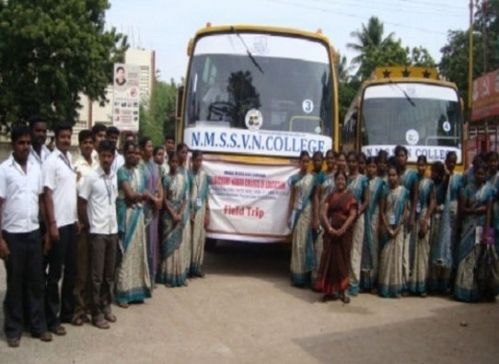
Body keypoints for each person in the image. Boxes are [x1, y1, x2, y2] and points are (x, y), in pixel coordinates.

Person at [0, 126, 52, 347]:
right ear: (13, 144)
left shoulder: (35, 169)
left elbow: (42, 200)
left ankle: (37, 326)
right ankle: (13, 329)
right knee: (15, 283)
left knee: (35, 281)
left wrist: (48, 230)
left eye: (28, 143)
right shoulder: (4, 170)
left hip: (33, 232)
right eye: (21, 143)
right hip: (12, 235)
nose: (25, 147)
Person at [78, 140, 118, 329]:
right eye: (104, 156)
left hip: (112, 230)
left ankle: (106, 305)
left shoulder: (114, 177)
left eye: (110, 156)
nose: (107, 160)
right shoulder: (92, 177)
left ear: (113, 157)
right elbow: (82, 203)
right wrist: (88, 225)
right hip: (98, 232)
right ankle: (95, 313)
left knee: (109, 274)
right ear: (99, 156)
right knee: (96, 276)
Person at [43, 123, 78, 336]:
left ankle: (67, 311)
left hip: (70, 223)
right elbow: (47, 194)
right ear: (55, 138)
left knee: (71, 271)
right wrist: (52, 224)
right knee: (55, 274)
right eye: (62, 136)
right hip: (58, 225)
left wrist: (75, 219)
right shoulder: (51, 162)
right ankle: (52, 318)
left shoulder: (68, 159)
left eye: (68, 136)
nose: (66, 139)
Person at [115, 142, 151, 306]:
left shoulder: (141, 172)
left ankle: (136, 291)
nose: (134, 156)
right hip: (127, 216)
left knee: (138, 251)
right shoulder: (122, 172)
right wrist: (143, 196)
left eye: (136, 153)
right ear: (124, 154)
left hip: (138, 215)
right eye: (130, 153)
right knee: (126, 253)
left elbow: (144, 193)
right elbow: (129, 195)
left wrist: (144, 196)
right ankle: (122, 293)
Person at [454, 162, 496, 302]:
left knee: (482, 259)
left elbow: (489, 212)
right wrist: (476, 211)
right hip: (468, 228)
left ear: (485, 175)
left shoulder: (489, 190)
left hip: (483, 228)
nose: (480, 176)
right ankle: (463, 291)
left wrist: (486, 234)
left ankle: (480, 292)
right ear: (474, 174)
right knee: (465, 259)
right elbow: (463, 211)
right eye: (478, 173)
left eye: (483, 174)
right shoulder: (467, 190)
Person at [315, 171, 357, 303]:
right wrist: (329, 228)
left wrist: (342, 229)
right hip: (331, 234)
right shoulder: (330, 196)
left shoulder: (351, 197)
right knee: (328, 261)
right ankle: (328, 291)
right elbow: (323, 212)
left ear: (346, 182)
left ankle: (342, 291)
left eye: (343, 180)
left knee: (342, 262)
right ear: (335, 181)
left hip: (344, 235)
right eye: (338, 179)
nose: (340, 182)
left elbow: (352, 215)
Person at [72, 129, 98, 326]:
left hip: (97, 224)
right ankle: (78, 310)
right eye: (85, 143)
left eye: (91, 142)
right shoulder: (75, 166)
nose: (88, 145)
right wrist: (78, 221)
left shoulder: (98, 164)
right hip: (83, 224)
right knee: (81, 270)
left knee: (93, 270)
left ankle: (91, 307)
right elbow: (73, 197)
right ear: (80, 145)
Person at [157, 152, 192, 286]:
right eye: (172, 162)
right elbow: (164, 198)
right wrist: (172, 213)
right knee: (168, 245)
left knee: (179, 245)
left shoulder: (184, 178)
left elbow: (185, 198)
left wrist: (180, 213)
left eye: (176, 162)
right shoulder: (165, 179)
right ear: (169, 162)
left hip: (180, 215)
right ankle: (168, 275)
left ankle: (179, 274)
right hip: (168, 215)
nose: (174, 165)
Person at [378, 164, 409, 298]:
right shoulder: (385, 191)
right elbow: (382, 211)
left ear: (398, 176)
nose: (391, 178)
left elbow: (405, 212)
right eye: (389, 175)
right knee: (385, 257)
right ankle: (385, 287)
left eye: (394, 175)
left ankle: (395, 288)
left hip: (399, 228)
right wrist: (388, 228)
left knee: (397, 257)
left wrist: (396, 229)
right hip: (387, 228)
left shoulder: (404, 191)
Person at [288, 151, 315, 287]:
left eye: (307, 161)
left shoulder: (312, 178)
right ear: (299, 162)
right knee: (297, 244)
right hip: (297, 212)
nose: (305, 164)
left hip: (307, 212)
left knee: (306, 243)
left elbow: (314, 198)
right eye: (303, 161)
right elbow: (292, 198)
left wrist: (314, 217)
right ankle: (297, 276)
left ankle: (306, 276)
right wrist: (289, 216)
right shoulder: (294, 178)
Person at [408, 156, 434, 296]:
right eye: (419, 165)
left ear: (426, 166)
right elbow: (412, 200)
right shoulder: (414, 180)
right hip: (415, 217)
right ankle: (413, 285)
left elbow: (432, 202)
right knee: (414, 251)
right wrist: (412, 217)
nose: (421, 167)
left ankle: (422, 286)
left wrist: (426, 219)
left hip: (424, 217)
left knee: (423, 252)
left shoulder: (430, 183)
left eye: (423, 165)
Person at [139, 137, 163, 285]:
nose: (151, 148)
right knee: (145, 241)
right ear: (142, 149)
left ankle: (152, 276)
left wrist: (160, 197)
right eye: (148, 146)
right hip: (145, 208)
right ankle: (144, 278)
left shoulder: (154, 165)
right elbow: (141, 188)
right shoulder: (140, 166)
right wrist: (154, 200)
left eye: (151, 145)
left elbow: (159, 183)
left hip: (155, 209)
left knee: (153, 241)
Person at [394, 145, 418, 293]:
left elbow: (415, 196)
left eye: (403, 155)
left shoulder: (412, 175)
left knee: (405, 249)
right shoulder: (394, 173)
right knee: (396, 247)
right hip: (394, 213)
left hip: (407, 212)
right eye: (398, 156)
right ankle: (395, 279)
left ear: (406, 157)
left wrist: (412, 216)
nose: (400, 158)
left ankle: (405, 282)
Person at [346, 151, 369, 296]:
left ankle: (354, 283)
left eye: (354, 161)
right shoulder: (345, 179)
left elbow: (366, 200)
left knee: (355, 250)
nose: (352, 164)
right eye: (350, 161)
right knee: (345, 249)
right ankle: (344, 280)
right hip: (345, 218)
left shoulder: (363, 179)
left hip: (358, 218)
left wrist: (357, 213)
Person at [360, 156, 385, 292]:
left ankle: (373, 281)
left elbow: (382, 204)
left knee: (374, 249)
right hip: (363, 217)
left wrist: (381, 222)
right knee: (363, 249)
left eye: (373, 167)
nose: (371, 169)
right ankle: (363, 282)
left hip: (374, 218)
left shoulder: (381, 183)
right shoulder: (362, 180)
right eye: (369, 166)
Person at [312, 150, 335, 284]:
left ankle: (330, 281)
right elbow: (316, 196)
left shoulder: (339, 175)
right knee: (319, 247)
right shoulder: (321, 176)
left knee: (332, 249)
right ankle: (318, 280)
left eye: (333, 158)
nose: (331, 161)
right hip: (322, 214)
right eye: (329, 159)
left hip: (335, 216)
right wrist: (315, 217)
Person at [189, 150, 210, 277]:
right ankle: (189, 267)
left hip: (200, 210)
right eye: (197, 160)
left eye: (201, 160)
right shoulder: (188, 174)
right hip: (189, 210)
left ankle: (197, 267)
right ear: (192, 160)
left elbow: (206, 196)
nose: (199, 163)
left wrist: (207, 212)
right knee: (190, 239)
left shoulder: (204, 176)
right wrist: (190, 211)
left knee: (200, 239)